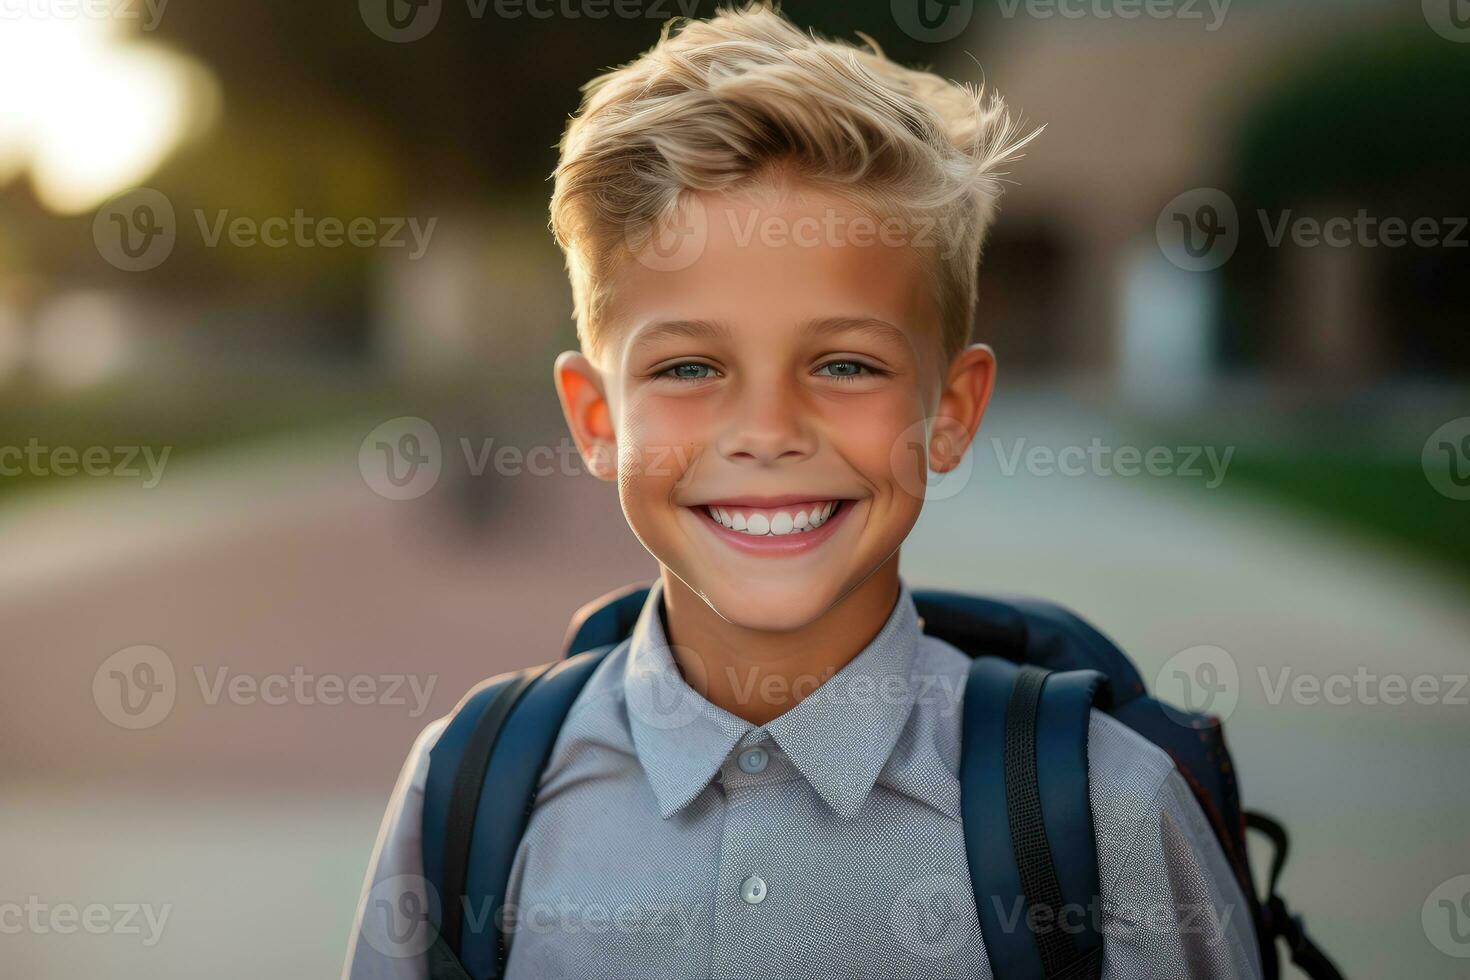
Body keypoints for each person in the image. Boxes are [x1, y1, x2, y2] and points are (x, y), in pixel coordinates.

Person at [343, 5, 1262, 977]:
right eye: (691, 368)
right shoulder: (469, 798)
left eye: (846, 364)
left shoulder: (1107, 810)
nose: (770, 431)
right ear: (597, 418)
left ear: (949, 411)